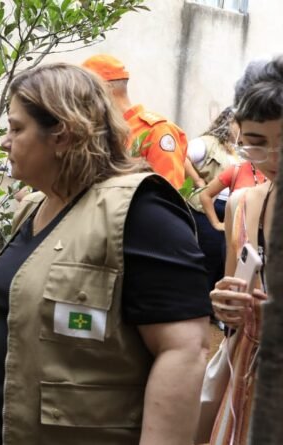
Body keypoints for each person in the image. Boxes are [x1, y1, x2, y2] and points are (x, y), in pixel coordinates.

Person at [0, 63, 212, 444]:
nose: (4, 141)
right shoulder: (35, 208)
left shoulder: (140, 212)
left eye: (16, 128)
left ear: (61, 135)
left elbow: (183, 350)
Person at [207, 60, 283, 444]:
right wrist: (227, 307)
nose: (272, 159)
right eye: (255, 142)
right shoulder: (240, 205)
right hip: (246, 389)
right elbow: (233, 298)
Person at [83, 54, 192, 189]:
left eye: (84, 91)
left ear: (104, 89)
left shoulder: (156, 131)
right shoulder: (99, 130)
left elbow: (167, 194)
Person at [186, 108, 243, 290]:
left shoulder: (239, 151)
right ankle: (200, 301)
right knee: (208, 254)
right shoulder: (208, 143)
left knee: (223, 258)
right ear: (228, 122)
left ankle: (212, 307)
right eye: (239, 124)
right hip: (205, 207)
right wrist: (197, 180)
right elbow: (181, 156)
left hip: (230, 209)